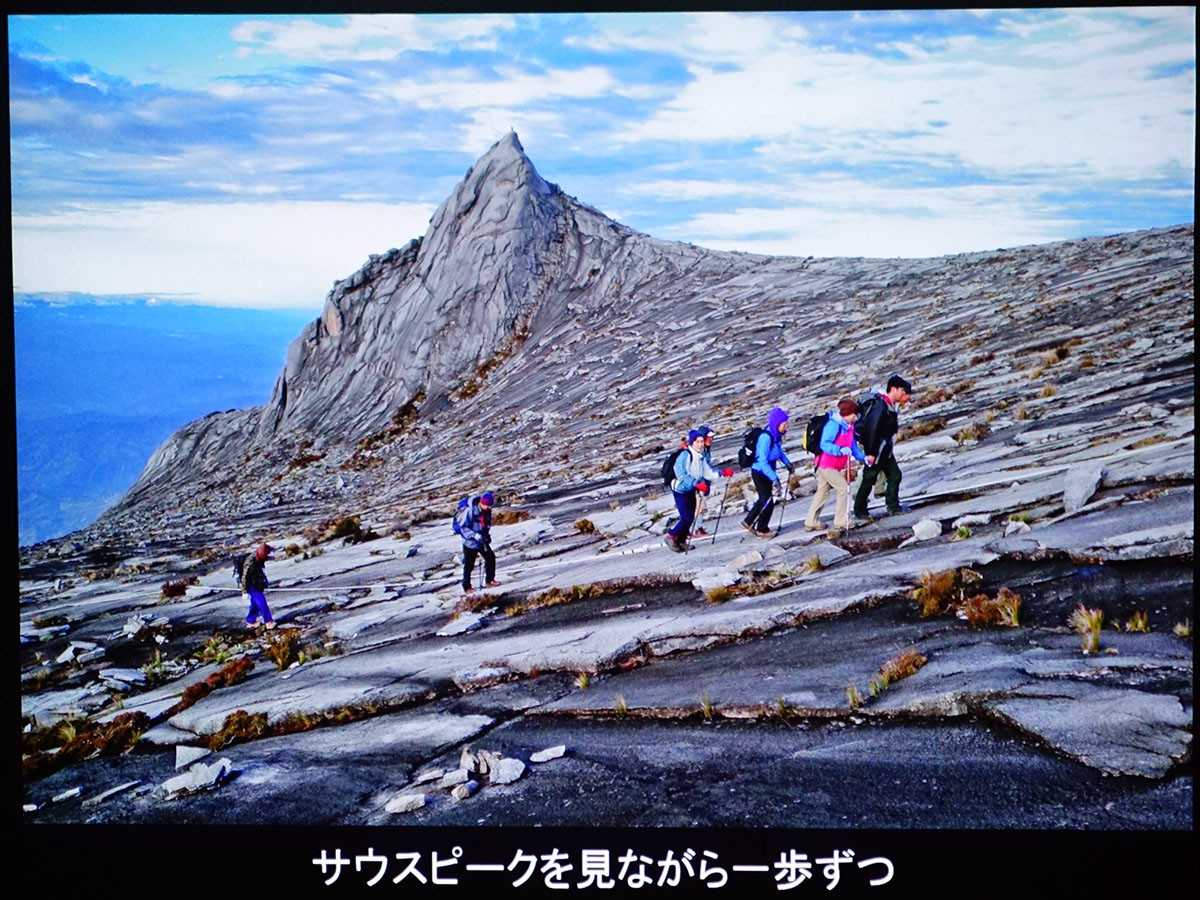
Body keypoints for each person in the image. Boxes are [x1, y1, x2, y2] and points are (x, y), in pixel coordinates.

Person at [805, 399, 873, 535]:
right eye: (854, 414)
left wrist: (863, 458)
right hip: (826, 464)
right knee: (843, 487)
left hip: (832, 465)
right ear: (847, 414)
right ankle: (841, 520)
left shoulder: (849, 427)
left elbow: (853, 447)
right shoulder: (833, 425)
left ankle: (811, 521)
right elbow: (825, 444)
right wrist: (839, 450)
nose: (856, 417)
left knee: (822, 492)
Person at [853, 375, 913, 523]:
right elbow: (872, 429)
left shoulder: (889, 405)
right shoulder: (881, 405)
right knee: (869, 478)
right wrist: (871, 452)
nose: (906, 396)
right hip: (877, 450)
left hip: (884, 449)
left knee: (895, 475)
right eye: (903, 392)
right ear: (894, 389)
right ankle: (860, 510)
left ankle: (893, 506)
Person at [665, 429, 726, 552]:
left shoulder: (700, 457)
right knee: (686, 517)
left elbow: (707, 472)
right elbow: (680, 473)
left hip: (691, 489)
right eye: (698, 442)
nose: (701, 444)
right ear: (692, 443)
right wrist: (695, 483)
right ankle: (671, 536)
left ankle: (681, 541)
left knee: (690, 517)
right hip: (680, 490)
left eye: (702, 441)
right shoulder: (685, 455)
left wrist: (722, 473)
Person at [742, 407, 794, 538]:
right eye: (784, 424)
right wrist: (774, 478)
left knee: (764, 499)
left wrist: (787, 463)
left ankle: (748, 521)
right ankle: (762, 529)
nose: (786, 426)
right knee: (768, 501)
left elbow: (778, 452)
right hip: (760, 472)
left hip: (767, 471)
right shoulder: (766, 438)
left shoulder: (775, 435)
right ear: (777, 423)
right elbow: (762, 461)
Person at [459, 491, 499, 594]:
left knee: (490, 558)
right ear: (481, 502)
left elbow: (486, 524)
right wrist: (475, 535)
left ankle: (490, 580)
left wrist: (486, 535)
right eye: (487, 505)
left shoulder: (487, 511)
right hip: (470, 543)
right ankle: (467, 587)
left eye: (490, 506)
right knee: (469, 565)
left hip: (482, 541)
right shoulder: (469, 511)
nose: (488, 507)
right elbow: (463, 527)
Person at [241, 543, 276, 630]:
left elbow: (268, 553)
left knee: (255, 603)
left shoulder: (260, 555)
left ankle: (251, 621)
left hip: (257, 582)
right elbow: (244, 577)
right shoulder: (249, 563)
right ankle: (268, 622)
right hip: (251, 585)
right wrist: (244, 591)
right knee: (262, 602)